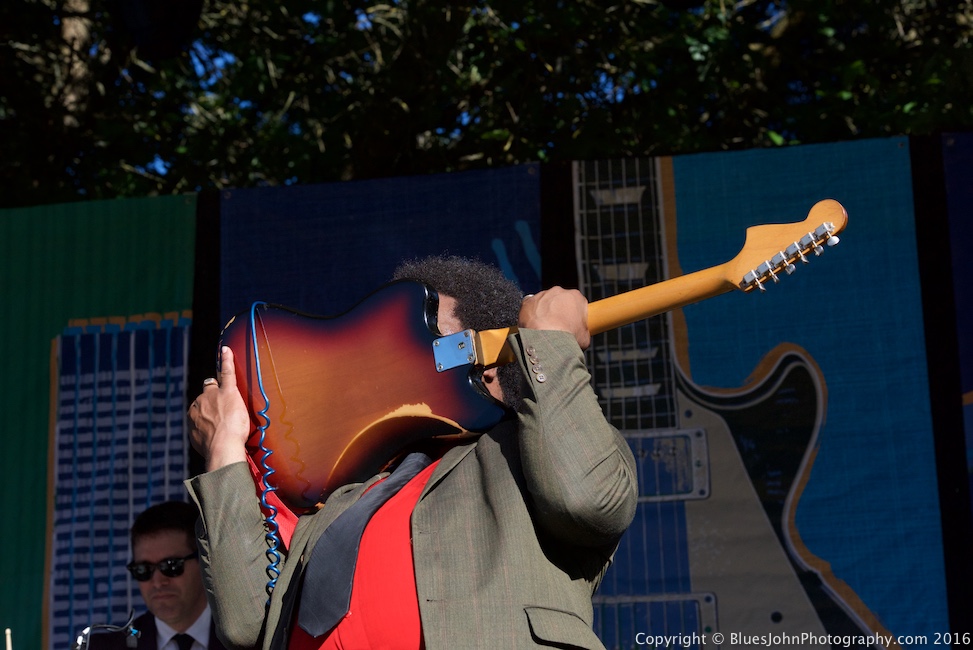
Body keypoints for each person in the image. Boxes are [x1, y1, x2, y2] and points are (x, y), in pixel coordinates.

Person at [186, 255, 638, 650]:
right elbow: (247, 623)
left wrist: (550, 345)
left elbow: (588, 501)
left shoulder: (527, 448)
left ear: (490, 358)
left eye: (415, 337)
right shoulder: (339, 499)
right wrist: (224, 447)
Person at [89, 501, 227, 650]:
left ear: (205, 562)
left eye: (171, 565)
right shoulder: (105, 647)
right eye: (144, 569)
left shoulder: (248, 643)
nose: (158, 582)